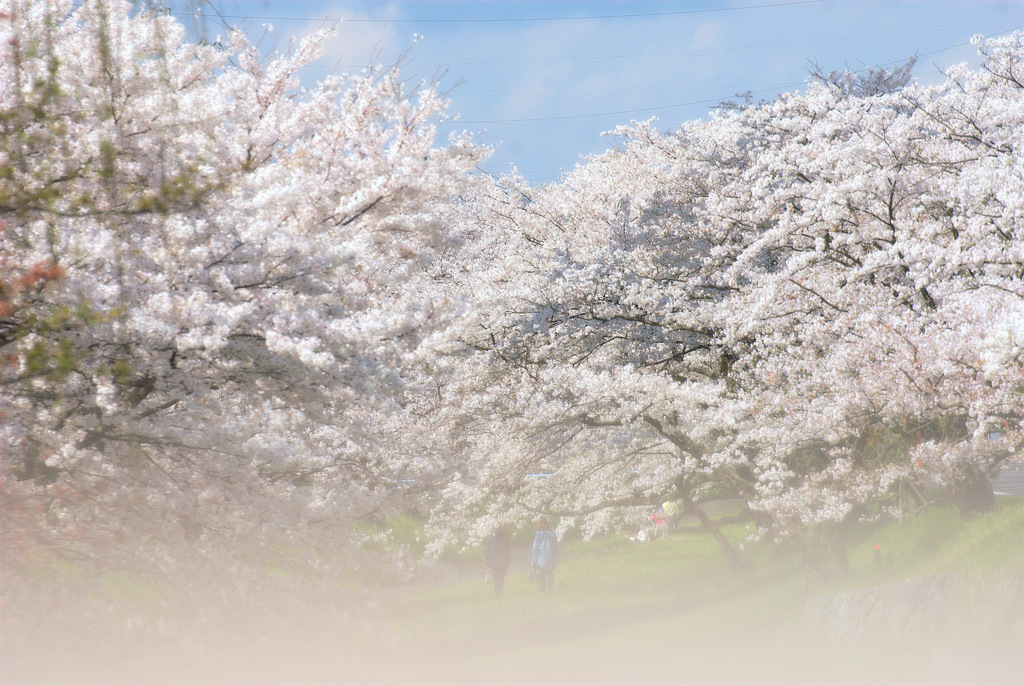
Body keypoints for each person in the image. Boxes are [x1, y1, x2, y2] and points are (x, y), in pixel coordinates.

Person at [484, 524, 512, 598]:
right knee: (500, 579)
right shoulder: (505, 538)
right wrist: (507, 561)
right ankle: (499, 594)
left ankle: (498, 595)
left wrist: (487, 563)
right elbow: (508, 551)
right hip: (502, 563)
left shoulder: (490, 538)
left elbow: (487, 551)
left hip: (494, 563)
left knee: (497, 579)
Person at [531, 517, 557, 592]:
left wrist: (534, 557)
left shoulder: (539, 533)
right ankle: (550, 590)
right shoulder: (552, 533)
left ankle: (543, 591)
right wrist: (554, 553)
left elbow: (536, 546)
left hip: (542, 556)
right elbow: (555, 545)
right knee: (550, 574)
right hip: (551, 556)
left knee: (542, 574)